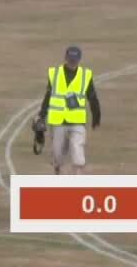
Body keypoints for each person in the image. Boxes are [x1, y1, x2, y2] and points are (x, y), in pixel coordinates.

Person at [37, 45, 101, 175]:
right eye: (70, 59)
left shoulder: (85, 75)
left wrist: (96, 117)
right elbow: (48, 97)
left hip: (77, 122)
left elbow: (92, 97)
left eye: (75, 60)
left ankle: (77, 178)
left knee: (77, 152)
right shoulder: (55, 74)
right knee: (58, 155)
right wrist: (41, 116)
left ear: (79, 60)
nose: (72, 62)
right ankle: (58, 170)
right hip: (58, 122)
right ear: (66, 58)